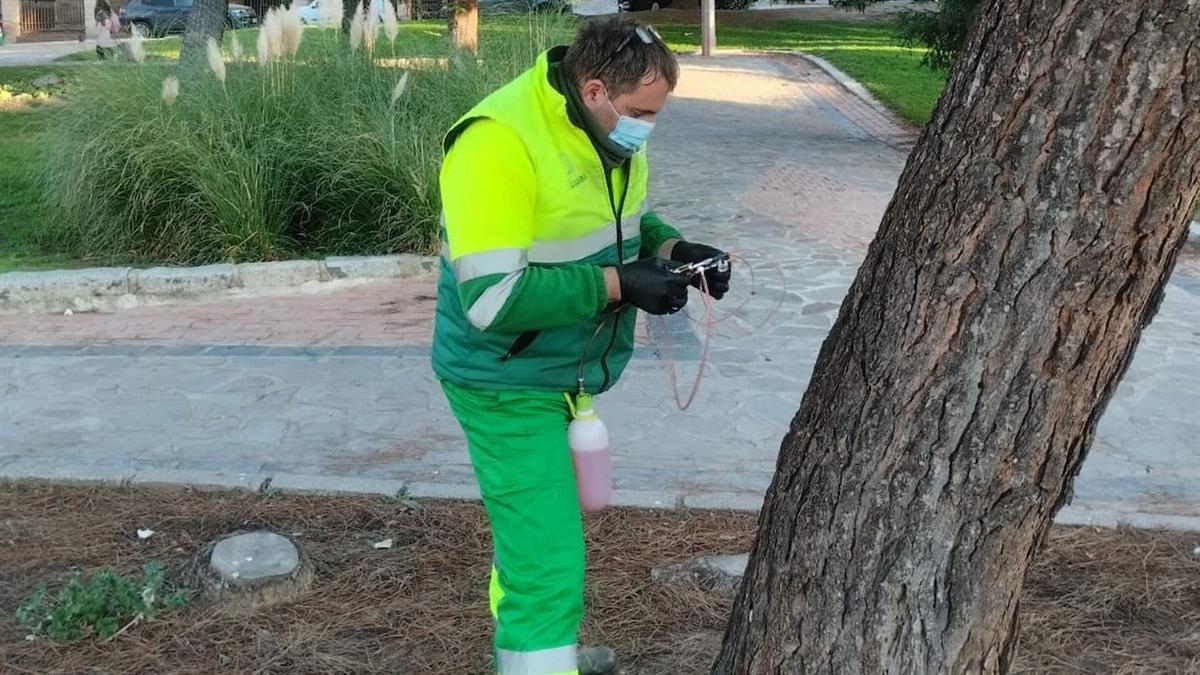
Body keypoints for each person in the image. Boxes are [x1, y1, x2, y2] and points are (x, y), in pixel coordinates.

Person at [432, 16, 732, 675]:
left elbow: (621, 222)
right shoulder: (497, 144)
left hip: (558, 370)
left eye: (656, 114)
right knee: (548, 563)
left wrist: (673, 250)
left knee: (537, 540)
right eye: (639, 114)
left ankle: (542, 647)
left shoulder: (606, 132)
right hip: (503, 379)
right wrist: (619, 284)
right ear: (594, 89)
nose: (647, 127)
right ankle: (538, 653)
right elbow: (491, 301)